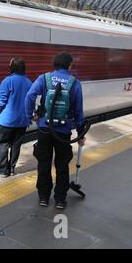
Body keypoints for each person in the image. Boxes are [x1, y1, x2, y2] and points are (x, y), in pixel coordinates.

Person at [25, 52, 86, 210]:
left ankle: (43, 197)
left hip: (45, 128)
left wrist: (30, 114)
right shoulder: (74, 83)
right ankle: (60, 199)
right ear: (69, 65)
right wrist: (80, 134)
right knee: (62, 165)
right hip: (64, 131)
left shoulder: (44, 78)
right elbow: (79, 112)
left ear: (55, 64)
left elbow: (30, 96)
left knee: (44, 163)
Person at [0, 57, 32, 177]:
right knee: (16, 145)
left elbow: (0, 101)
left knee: (3, 144)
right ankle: (12, 168)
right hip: (22, 122)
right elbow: (31, 102)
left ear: (12, 67)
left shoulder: (7, 81)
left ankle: (3, 169)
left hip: (6, 122)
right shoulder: (29, 82)